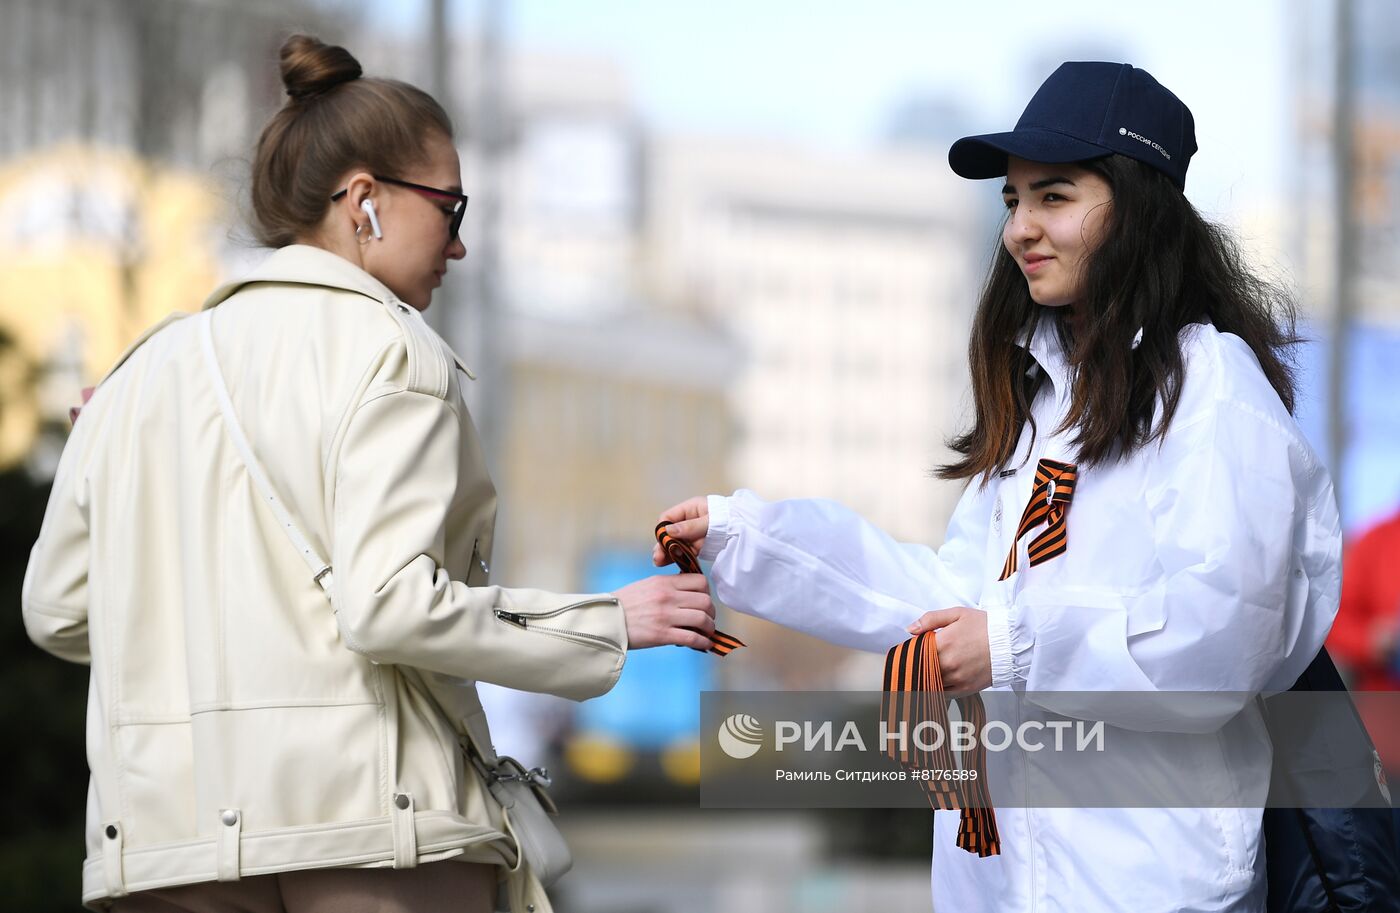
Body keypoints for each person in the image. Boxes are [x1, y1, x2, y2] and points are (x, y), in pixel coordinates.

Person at [21, 34, 716, 913]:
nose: (458, 245)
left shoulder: (138, 377)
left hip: (168, 840)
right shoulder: (393, 353)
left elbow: (55, 611)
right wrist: (610, 621)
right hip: (375, 829)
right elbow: (389, 602)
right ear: (365, 202)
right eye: (451, 209)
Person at [658, 62, 1341, 912]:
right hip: (1000, 881)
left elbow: (1221, 642)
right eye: (1013, 201)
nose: (1021, 227)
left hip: (1149, 887)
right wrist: (747, 540)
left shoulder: (1212, 388)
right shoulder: (1039, 400)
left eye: (1054, 196)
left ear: (1140, 207)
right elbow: (954, 602)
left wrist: (1016, 644)